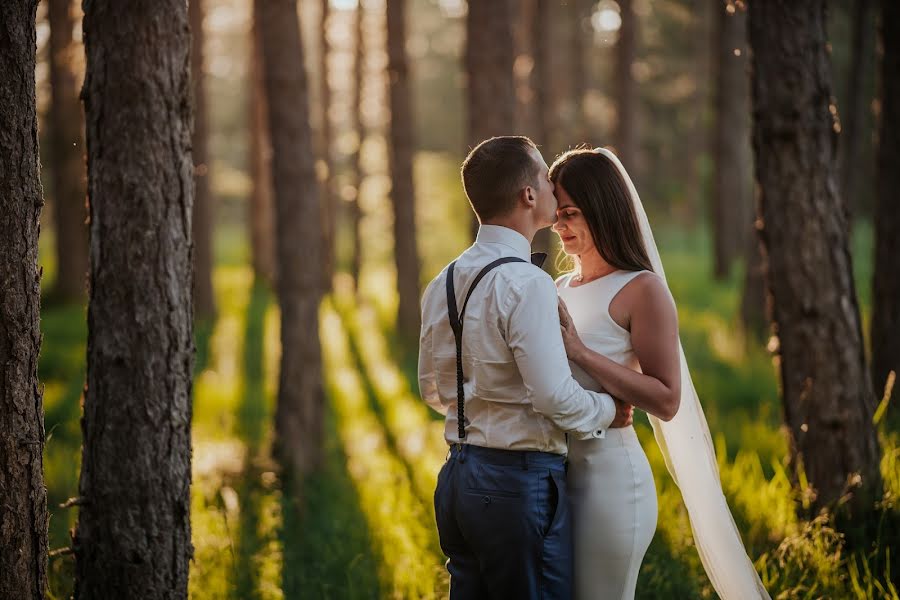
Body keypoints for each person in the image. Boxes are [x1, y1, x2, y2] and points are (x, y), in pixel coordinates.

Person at [549, 147, 771, 600]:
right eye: (556, 214)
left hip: (609, 481)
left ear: (602, 210)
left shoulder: (641, 289)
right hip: (554, 477)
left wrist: (581, 353)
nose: (558, 225)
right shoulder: (557, 288)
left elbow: (667, 398)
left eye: (570, 213)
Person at [418, 136, 631, 599]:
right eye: (545, 180)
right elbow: (553, 396)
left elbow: (432, 391)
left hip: (456, 476)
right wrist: (605, 410)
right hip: (518, 483)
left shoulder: (443, 281)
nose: (556, 190)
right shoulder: (528, 283)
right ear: (528, 196)